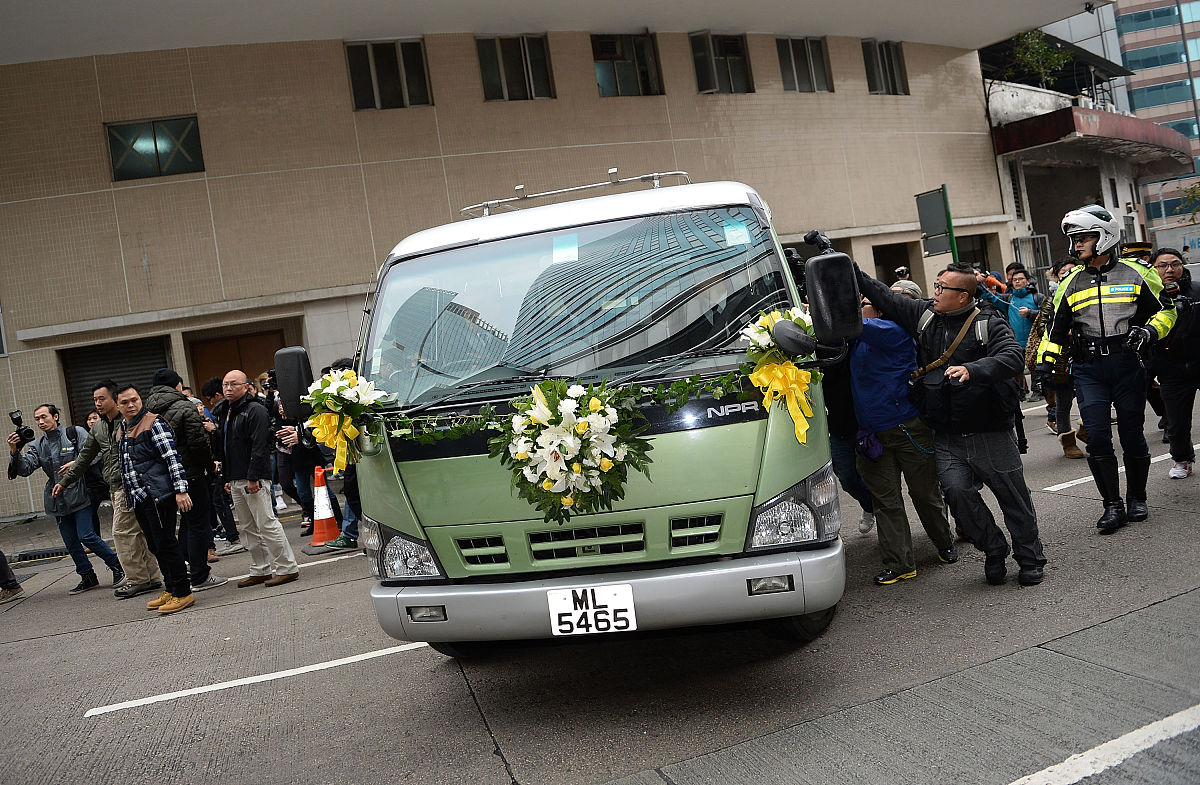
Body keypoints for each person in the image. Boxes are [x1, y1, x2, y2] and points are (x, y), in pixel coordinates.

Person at [857, 263, 1048, 586]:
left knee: (1013, 498)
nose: (936, 292)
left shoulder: (988, 323)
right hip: (947, 435)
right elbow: (883, 297)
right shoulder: (926, 316)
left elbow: (1012, 357)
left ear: (962, 297)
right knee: (958, 496)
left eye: (942, 287)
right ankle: (993, 549)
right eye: (936, 285)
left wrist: (972, 369)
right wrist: (843, 262)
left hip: (990, 432)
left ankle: (1030, 558)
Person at [1036, 205, 1177, 534]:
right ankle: (1112, 506)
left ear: (1105, 237)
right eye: (1073, 240)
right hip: (1088, 369)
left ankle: (1137, 497)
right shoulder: (1069, 283)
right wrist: (1044, 364)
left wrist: (1148, 331)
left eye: (1083, 238)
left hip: (1128, 364)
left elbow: (1167, 313)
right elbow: (1053, 331)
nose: (1077, 245)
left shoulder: (1137, 273)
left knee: (1131, 434)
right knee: (1097, 438)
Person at [852, 298, 957, 585]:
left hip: (906, 428)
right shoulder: (860, 337)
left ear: (879, 310)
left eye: (863, 303)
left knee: (924, 493)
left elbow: (852, 323)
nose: (859, 307)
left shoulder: (892, 330)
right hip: (871, 433)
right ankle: (900, 564)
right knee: (886, 502)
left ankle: (944, 543)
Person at [56, 380, 163, 599]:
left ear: (115, 399)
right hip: (115, 486)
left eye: (102, 398)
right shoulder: (98, 427)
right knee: (137, 533)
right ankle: (151, 577)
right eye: (95, 399)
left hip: (132, 485)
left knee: (122, 533)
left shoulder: (130, 421)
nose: (98, 403)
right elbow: (85, 457)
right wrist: (65, 481)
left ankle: (136, 579)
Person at [9, 403, 125, 594]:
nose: (40, 422)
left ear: (55, 417)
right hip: (57, 498)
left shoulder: (75, 433)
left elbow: (96, 452)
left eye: (44, 417)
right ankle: (87, 576)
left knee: (86, 535)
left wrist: (77, 463)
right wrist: (15, 451)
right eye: (37, 418)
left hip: (81, 493)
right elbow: (25, 469)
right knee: (70, 541)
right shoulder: (37, 445)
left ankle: (116, 565)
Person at [114, 384, 195, 614]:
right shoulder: (122, 428)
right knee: (154, 545)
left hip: (159, 494)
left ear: (141, 400)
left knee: (166, 543)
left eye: (135, 400)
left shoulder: (153, 422)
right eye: (125, 402)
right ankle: (170, 588)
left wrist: (181, 490)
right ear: (118, 406)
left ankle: (183, 592)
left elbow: (171, 457)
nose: (131, 405)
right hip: (140, 497)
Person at [146, 368, 229, 592]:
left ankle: (185, 567)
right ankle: (200, 574)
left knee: (184, 524)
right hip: (191, 473)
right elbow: (198, 442)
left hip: (165, 477)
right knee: (199, 523)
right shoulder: (184, 406)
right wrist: (209, 466)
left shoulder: (146, 411)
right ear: (178, 386)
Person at [217, 370, 299, 587]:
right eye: (225, 385)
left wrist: (253, 477)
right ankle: (260, 569)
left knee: (267, 523)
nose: (228, 389)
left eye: (233, 384)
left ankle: (287, 568)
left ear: (246, 386)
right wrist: (227, 477)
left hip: (254, 478)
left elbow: (260, 446)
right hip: (235, 478)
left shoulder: (255, 410)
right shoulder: (227, 410)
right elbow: (227, 448)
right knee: (248, 527)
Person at [1024, 260, 1085, 458]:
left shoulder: (1089, 290)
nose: (1068, 274)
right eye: (1063, 272)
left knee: (1091, 397)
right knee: (1064, 401)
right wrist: (1063, 332)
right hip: (1060, 358)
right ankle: (1068, 442)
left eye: (1072, 270)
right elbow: (1043, 328)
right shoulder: (1051, 300)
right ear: (1056, 276)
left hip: (1086, 355)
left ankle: (1088, 431)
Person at [1149, 248, 1199, 479]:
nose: (1169, 270)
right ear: (1154, 268)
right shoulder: (1149, 297)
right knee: (1177, 424)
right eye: (1163, 265)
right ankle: (1181, 459)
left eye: (1175, 264)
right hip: (1171, 370)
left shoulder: (1197, 290)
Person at [200, 376, 244, 554]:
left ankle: (234, 537)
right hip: (225, 465)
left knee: (219, 500)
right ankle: (237, 537)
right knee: (220, 499)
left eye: (209, 399)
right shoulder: (223, 410)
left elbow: (228, 439)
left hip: (230, 464)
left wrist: (214, 431)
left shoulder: (226, 411)